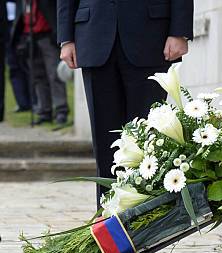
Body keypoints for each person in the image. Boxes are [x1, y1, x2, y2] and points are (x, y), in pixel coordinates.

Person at [57, 0, 194, 208]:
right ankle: (108, 222)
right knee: (106, 144)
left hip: (151, 36)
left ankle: (148, 222)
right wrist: (66, 38)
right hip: (93, 35)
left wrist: (179, 31)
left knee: (149, 140)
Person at [12, 0, 68, 125]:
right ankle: (44, 110)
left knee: (54, 75)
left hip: (47, 36)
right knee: (37, 76)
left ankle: (61, 110)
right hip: (29, 37)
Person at [6, 0, 32, 114]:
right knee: (13, 66)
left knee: (27, 64)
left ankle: (35, 102)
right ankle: (22, 103)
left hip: (21, 23)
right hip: (6, 24)